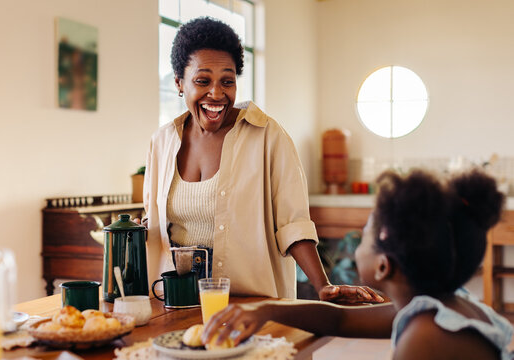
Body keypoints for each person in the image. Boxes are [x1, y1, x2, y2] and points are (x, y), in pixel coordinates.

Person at [140, 16, 382, 303]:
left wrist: (322, 285)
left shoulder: (268, 137)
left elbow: (294, 225)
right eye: (202, 81)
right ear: (180, 83)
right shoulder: (162, 143)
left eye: (227, 81)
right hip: (177, 301)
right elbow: (155, 221)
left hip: (251, 306)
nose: (216, 93)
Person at [203, 168, 514, 360]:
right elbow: (341, 321)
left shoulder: (426, 336)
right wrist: (266, 310)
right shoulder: (443, 305)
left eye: (365, 234)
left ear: (383, 266)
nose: (359, 240)